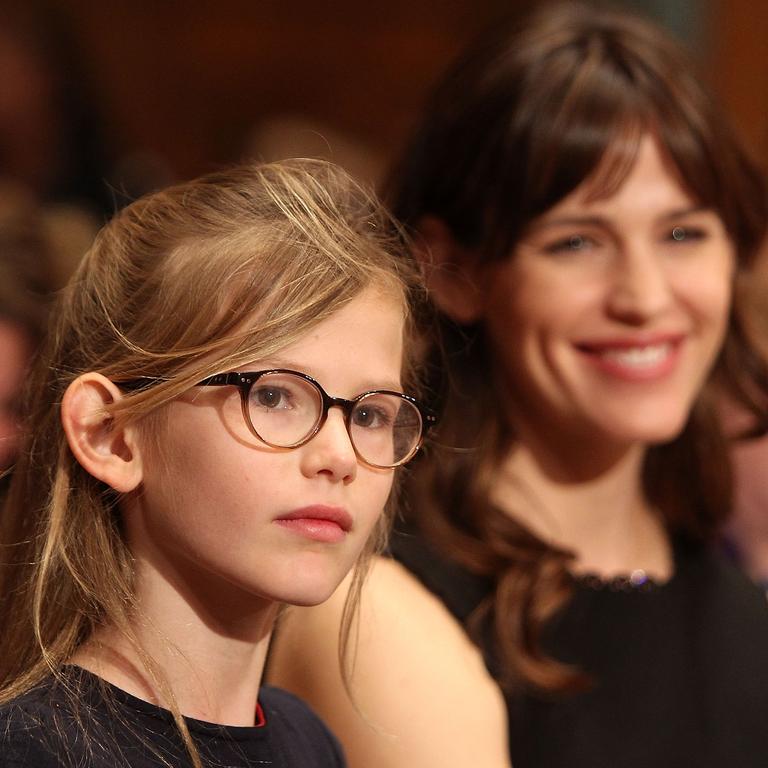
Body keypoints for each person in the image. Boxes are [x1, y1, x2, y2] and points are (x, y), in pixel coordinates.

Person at [267, 4, 768, 768]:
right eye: (576, 241)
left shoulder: (741, 621)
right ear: (455, 271)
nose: (644, 296)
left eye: (682, 233)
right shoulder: (378, 610)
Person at [0, 158, 432, 767]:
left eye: (369, 415)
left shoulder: (309, 743)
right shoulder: (31, 750)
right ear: (111, 435)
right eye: (275, 395)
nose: (339, 457)